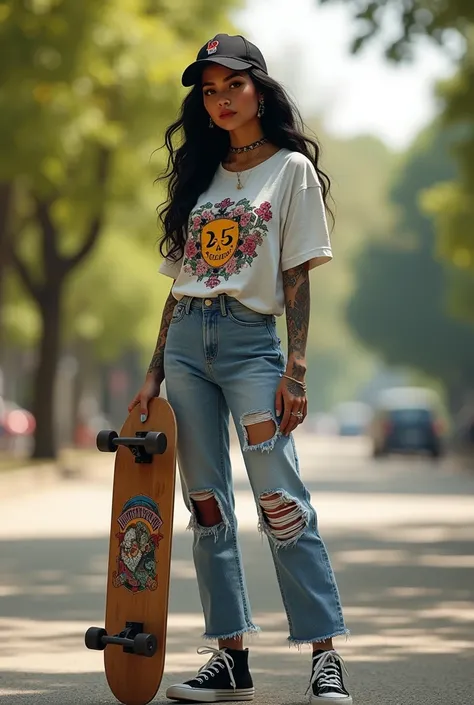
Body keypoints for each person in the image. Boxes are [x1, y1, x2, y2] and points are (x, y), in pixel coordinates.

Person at [129, 33, 352, 705]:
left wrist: (299, 369)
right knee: (206, 506)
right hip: (188, 349)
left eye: (234, 86)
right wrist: (152, 373)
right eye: (209, 90)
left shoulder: (290, 171)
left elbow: (295, 272)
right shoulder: (201, 174)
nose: (221, 100)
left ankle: (324, 657)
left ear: (259, 88)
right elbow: (179, 283)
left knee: (282, 503)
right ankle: (230, 657)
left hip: (255, 346)